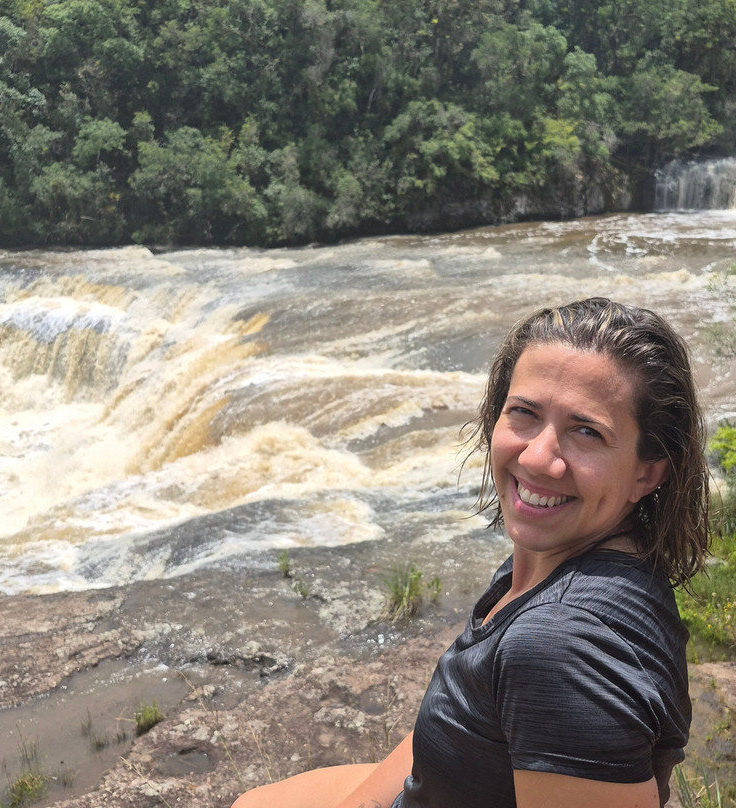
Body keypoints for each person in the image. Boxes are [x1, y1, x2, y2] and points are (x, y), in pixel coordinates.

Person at [232, 297, 710, 808]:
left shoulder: (560, 645)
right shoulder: (575, 557)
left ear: (647, 471)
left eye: (586, 431)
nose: (537, 457)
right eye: (524, 413)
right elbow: (453, 729)